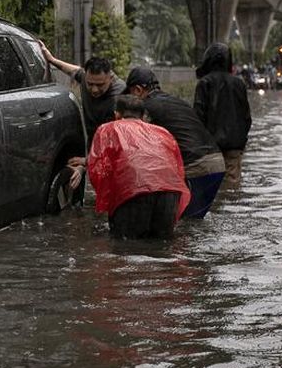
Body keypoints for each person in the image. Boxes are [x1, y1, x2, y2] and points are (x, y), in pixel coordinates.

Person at [78, 95, 191, 238]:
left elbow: (98, 169)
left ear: (116, 115)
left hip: (132, 192)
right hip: (170, 193)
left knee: (127, 249)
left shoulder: (107, 129)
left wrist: (107, 202)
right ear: (143, 116)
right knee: (163, 247)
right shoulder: (163, 132)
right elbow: (178, 168)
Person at [125, 67, 226, 219]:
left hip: (195, 167)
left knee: (182, 223)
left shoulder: (147, 108)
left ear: (138, 90)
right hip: (216, 162)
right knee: (194, 222)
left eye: (131, 94)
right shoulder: (175, 101)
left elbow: (137, 143)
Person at [193, 42, 252, 189]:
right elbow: (246, 117)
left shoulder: (204, 83)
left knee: (212, 190)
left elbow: (197, 118)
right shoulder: (239, 84)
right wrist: (241, 143)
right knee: (232, 189)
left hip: (210, 149)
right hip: (233, 148)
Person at [40, 46, 126, 139]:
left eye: (100, 85)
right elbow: (73, 70)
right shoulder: (84, 77)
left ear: (111, 78)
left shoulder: (121, 93)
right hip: (91, 138)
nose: (94, 90)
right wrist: (52, 60)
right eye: (90, 84)